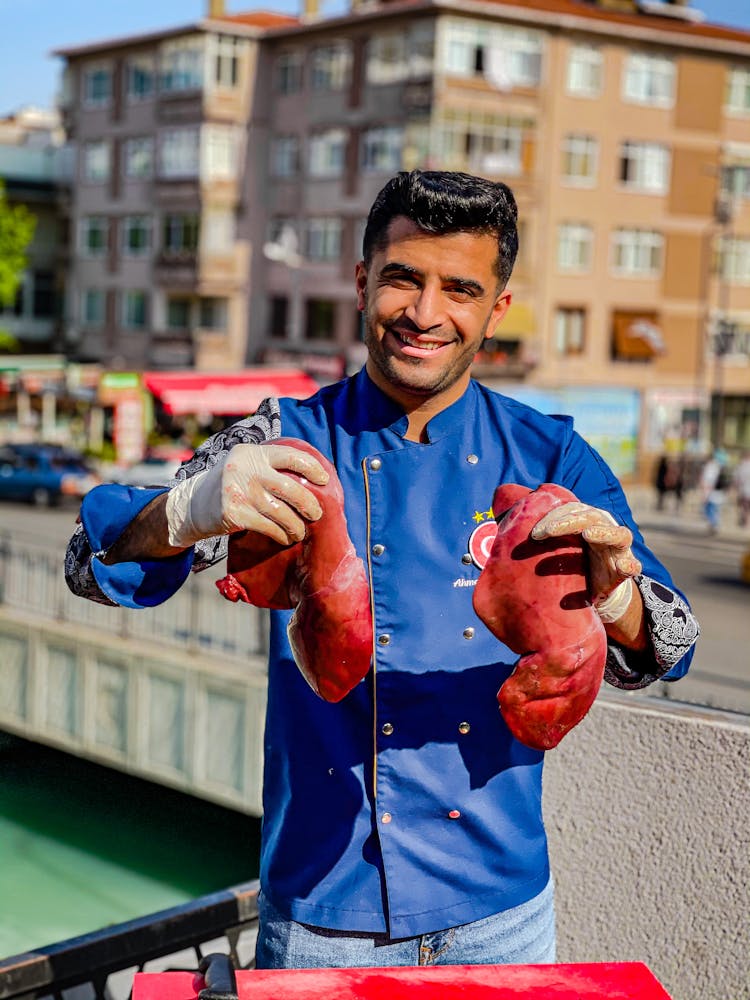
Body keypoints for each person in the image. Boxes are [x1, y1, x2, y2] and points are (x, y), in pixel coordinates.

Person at [65, 170, 699, 970]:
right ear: (363, 283)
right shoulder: (283, 437)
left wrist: (616, 600)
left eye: (460, 289)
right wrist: (188, 510)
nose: (426, 314)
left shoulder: (553, 455)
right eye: (403, 278)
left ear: (495, 310)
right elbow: (90, 562)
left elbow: (671, 643)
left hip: (501, 916)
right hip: (321, 918)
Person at [699, 450, 730, 534]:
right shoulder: (719, 466)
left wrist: (705, 489)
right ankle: (714, 523)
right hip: (717, 491)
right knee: (715, 508)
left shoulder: (710, 466)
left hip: (711, 490)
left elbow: (708, 480)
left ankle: (714, 523)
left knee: (710, 508)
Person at [734, 450, 750, 529]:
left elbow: (736, 478)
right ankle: (746, 522)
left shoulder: (741, 465)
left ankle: (745, 521)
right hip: (745, 490)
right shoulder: (741, 465)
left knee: (744, 506)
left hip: (744, 490)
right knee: (745, 507)